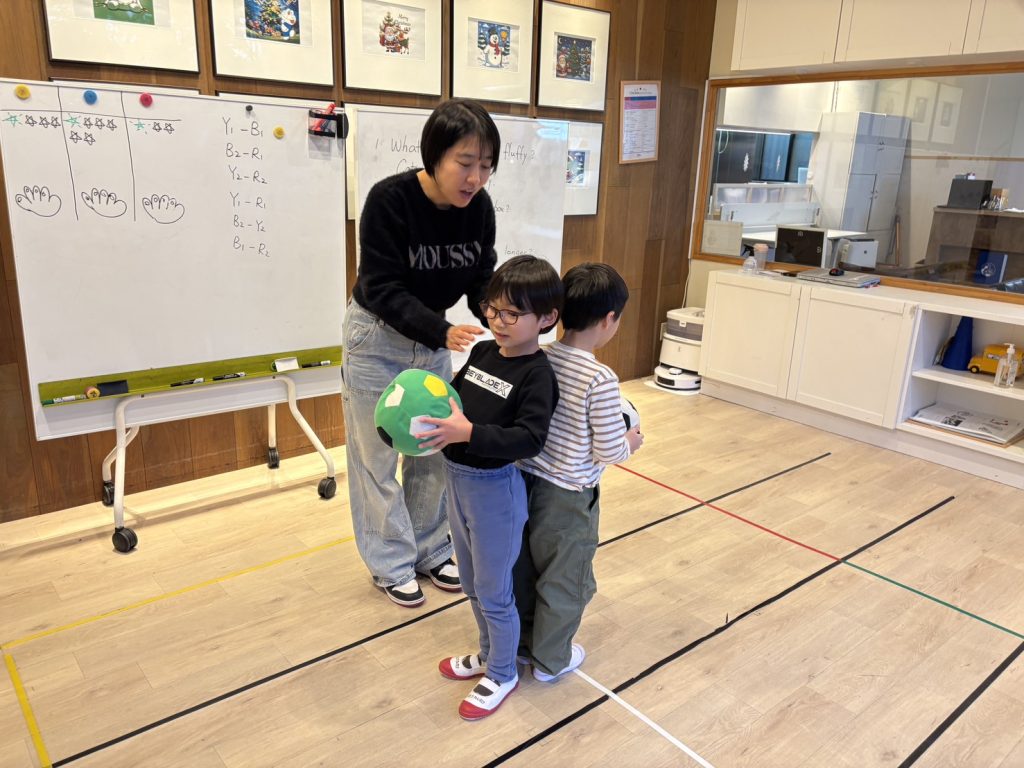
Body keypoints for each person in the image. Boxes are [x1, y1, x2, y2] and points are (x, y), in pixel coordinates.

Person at [341, 99, 501, 607]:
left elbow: (481, 278)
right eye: (465, 162)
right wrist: (442, 330)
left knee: (432, 450)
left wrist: (502, 319)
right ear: (434, 155)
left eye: (486, 165)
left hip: (433, 339)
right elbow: (381, 286)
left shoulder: (479, 209)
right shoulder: (389, 201)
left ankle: (431, 548)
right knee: (377, 456)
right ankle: (390, 562)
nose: (475, 178)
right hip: (377, 338)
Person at [417, 255, 562, 720]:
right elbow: (454, 401)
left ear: (547, 319)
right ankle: (488, 654)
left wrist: (469, 434)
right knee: (472, 582)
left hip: (495, 491)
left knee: (494, 589)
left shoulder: (537, 374)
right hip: (457, 483)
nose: (498, 321)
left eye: (512, 314)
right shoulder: (482, 353)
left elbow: (530, 439)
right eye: (492, 309)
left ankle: (503, 672)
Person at [513, 263, 643, 683]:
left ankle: (521, 643)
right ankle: (551, 660)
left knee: (525, 569)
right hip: (567, 499)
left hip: (525, 483)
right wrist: (630, 442)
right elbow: (608, 449)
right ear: (609, 319)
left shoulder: (541, 356)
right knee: (565, 580)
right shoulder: (600, 378)